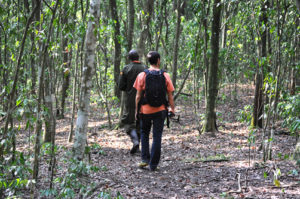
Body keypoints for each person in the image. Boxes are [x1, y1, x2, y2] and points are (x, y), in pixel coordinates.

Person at [134, 51, 175, 171]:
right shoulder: (165, 75)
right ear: (158, 61)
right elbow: (170, 96)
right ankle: (153, 164)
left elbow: (138, 96)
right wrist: (172, 109)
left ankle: (144, 160)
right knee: (157, 136)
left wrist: (137, 110)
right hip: (160, 111)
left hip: (145, 111)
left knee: (144, 133)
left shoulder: (142, 75)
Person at [119, 50, 146, 154]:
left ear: (129, 58)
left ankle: (135, 142)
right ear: (138, 58)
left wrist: (129, 88)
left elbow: (121, 86)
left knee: (128, 122)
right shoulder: (145, 69)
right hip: (144, 100)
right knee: (140, 122)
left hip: (130, 99)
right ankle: (138, 144)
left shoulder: (126, 68)